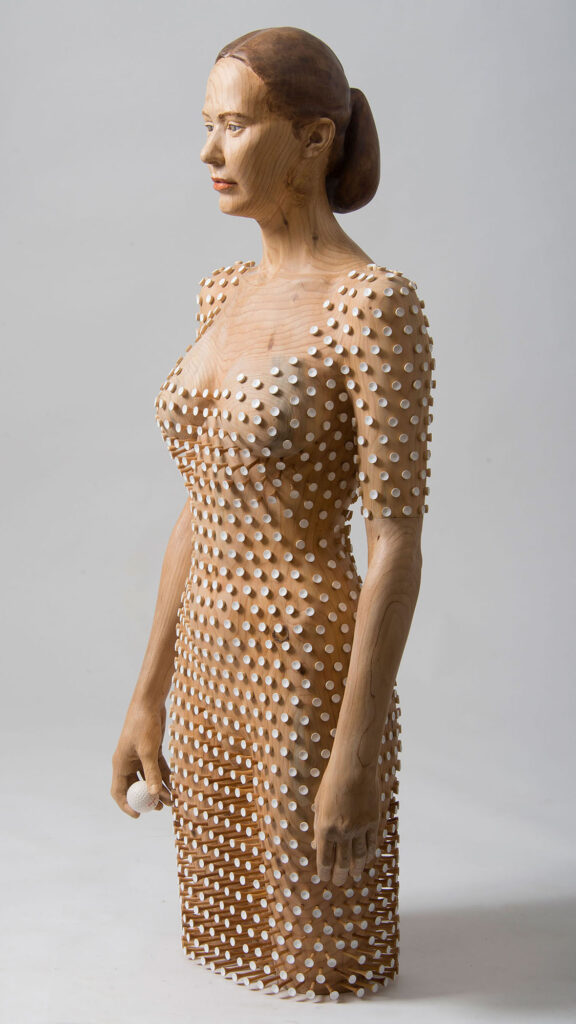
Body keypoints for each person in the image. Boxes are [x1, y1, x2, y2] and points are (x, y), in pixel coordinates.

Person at [111, 25, 435, 1001]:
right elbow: (202, 503)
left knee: (322, 952)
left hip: (305, 670)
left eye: (236, 126)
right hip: (210, 666)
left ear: (314, 138)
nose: (208, 151)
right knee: (226, 938)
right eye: (208, 124)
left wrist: (356, 749)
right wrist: (148, 689)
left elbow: (395, 540)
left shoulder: (373, 305)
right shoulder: (221, 293)